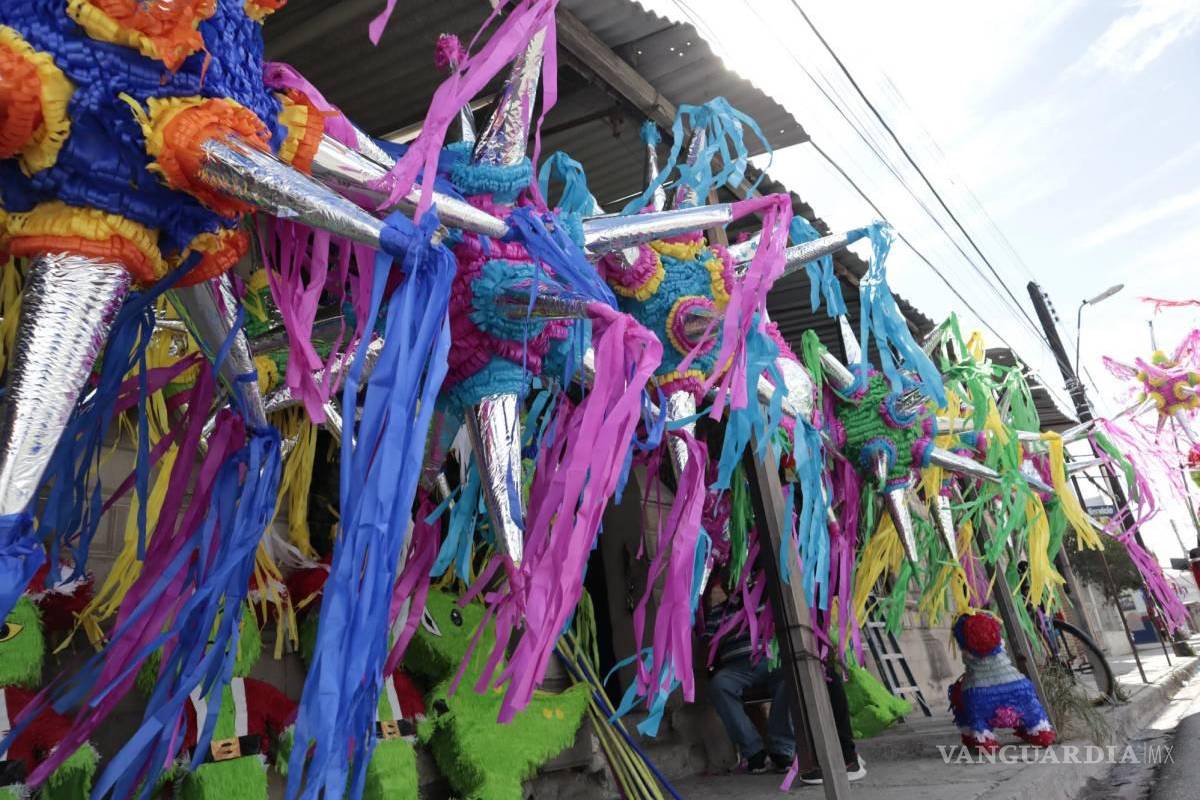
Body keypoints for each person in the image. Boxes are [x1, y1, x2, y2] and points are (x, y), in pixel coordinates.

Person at [702, 575, 866, 783]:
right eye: (729, 581)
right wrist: (732, 629)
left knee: (791, 678)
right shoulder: (719, 612)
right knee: (719, 685)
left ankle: (783, 748)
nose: (733, 584)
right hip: (737, 667)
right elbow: (709, 643)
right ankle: (754, 752)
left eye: (738, 579)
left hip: (772, 660)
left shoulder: (767, 602)